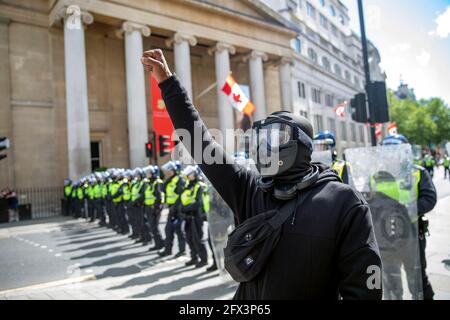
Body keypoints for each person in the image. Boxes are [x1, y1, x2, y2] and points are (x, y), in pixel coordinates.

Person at [141, 49, 382, 299]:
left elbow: (365, 289)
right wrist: (168, 83)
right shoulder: (250, 188)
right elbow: (200, 144)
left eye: (276, 137)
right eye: (261, 137)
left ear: (302, 145)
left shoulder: (344, 202)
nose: (265, 146)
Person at [380, 134, 437, 300]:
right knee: (391, 280)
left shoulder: (417, 172)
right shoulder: (377, 174)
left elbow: (429, 198)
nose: (391, 154)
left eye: (395, 150)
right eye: (387, 151)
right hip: (386, 237)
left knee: (417, 279)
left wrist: (408, 209)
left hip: (412, 235)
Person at [180, 165, 209, 268]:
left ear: (195, 174)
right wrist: (182, 208)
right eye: (187, 175)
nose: (188, 177)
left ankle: (203, 259)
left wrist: (186, 208)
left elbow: (199, 203)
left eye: (190, 175)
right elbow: (182, 199)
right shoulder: (188, 186)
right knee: (189, 238)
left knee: (198, 238)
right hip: (187, 216)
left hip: (196, 216)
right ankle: (194, 257)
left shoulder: (199, 186)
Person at [158, 160, 187, 258]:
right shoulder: (170, 180)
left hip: (178, 210)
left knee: (179, 231)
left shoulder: (180, 180)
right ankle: (168, 250)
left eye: (171, 170)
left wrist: (175, 208)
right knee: (168, 230)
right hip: (171, 209)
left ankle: (182, 250)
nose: (169, 172)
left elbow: (180, 195)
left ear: (176, 170)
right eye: (169, 170)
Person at [144, 166, 165, 251]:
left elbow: (159, 196)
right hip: (149, 207)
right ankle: (158, 243)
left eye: (149, 173)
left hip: (154, 208)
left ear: (153, 173)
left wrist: (156, 208)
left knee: (154, 226)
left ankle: (160, 244)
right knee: (152, 226)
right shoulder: (150, 182)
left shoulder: (157, 182)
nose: (147, 174)